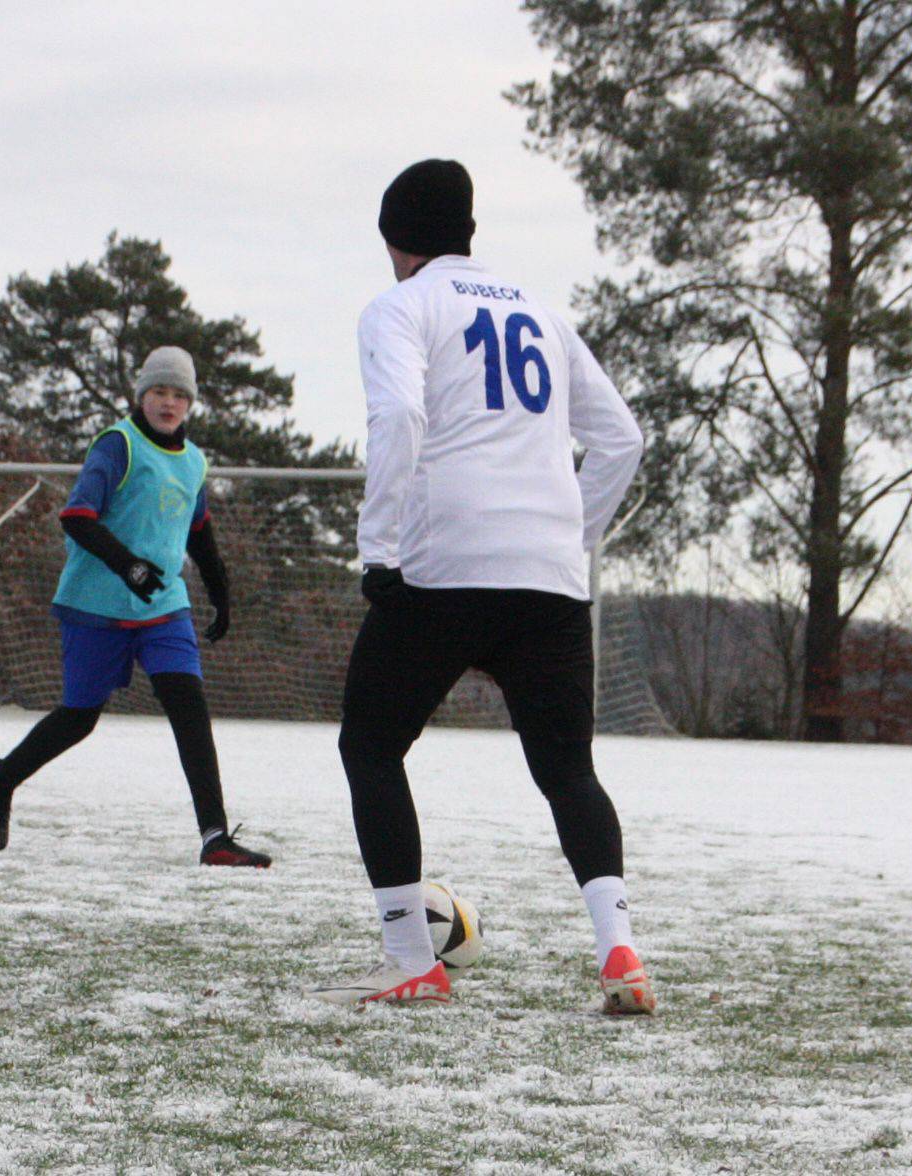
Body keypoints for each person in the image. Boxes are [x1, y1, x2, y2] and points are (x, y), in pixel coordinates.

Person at [308, 160, 652, 1012]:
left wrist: (377, 548)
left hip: (445, 565)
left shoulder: (401, 306)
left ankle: (409, 959)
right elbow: (621, 439)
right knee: (568, 771)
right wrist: (567, 540)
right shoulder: (543, 313)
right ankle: (619, 952)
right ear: (466, 231)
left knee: (370, 746)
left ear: (396, 240)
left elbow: (401, 416)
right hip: (548, 579)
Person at [0, 346, 271, 869]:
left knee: (189, 707)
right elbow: (77, 516)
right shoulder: (119, 446)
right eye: (159, 391)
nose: (169, 402)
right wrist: (128, 566)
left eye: (179, 395)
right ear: (141, 395)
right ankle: (0, 779)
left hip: (163, 605)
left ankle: (215, 837)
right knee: (78, 718)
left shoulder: (194, 461)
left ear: (190, 403)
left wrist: (220, 589)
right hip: (96, 604)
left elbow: (198, 530)